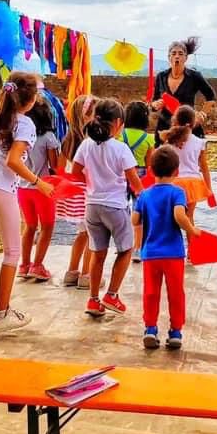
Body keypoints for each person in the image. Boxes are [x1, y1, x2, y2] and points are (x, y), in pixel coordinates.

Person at [0, 72, 53, 333]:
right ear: (29, 100)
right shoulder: (25, 124)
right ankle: (2, 314)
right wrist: (39, 182)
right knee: (12, 252)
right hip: (1, 188)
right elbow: (13, 162)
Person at [72, 98, 143, 317]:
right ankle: (112, 294)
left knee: (97, 253)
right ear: (119, 123)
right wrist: (145, 195)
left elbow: (75, 173)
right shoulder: (121, 149)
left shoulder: (85, 144)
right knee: (126, 249)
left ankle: (93, 300)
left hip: (92, 206)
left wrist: (93, 183)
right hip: (115, 207)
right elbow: (134, 182)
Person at [132, 145, 201, 349]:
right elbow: (180, 215)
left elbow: (135, 220)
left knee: (151, 292)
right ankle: (176, 331)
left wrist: (142, 210)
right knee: (176, 292)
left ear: (151, 170)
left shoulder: (144, 195)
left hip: (150, 254)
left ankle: (150, 329)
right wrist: (192, 229)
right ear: (176, 171)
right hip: (173, 254)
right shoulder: (177, 192)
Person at [18, 95, 60, 282]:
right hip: (42, 187)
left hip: (22, 186)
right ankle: (38, 265)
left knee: (29, 225)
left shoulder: (21, 135)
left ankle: (24, 265)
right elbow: (54, 164)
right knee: (48, 226)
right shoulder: (48, 137)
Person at [58, 94, 96, 288]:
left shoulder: (67, 140)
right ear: (86, 117)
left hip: (73, 195)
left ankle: (72, 271)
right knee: (92, 236)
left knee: (82, 234)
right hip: (88, 194)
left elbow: (59, 168)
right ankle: (86, 275)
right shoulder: (90, 143)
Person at [151, 38, 216, 146]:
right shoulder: (161, 77)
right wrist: (156, 104)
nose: (177, 56)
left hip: (188, 126)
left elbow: (211, 97)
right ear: (169, 57)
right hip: (165, 127)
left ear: (185, 58)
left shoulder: (194, 76)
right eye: (174, 53)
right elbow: (153, 102)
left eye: (180, 54)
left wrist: (201, 114)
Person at [162, 104, 212, 230]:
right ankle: (192, 248)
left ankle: (172, 247)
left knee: (171, 218)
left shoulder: (169, 141)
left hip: (174, 182)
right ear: (193, 122)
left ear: (175, 121)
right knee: (189, 217)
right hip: (193, 183)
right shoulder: (200, 143)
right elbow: (204, 167)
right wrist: (209, 188)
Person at [121, 100, 154, 263]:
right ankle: (138, 248)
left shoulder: (120, 135)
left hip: (121, 174)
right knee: (139, 211)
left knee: (121, 207)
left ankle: (123, 245)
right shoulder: (148, 138)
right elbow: (150, 165)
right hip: (140, 174)